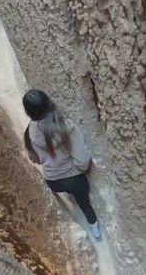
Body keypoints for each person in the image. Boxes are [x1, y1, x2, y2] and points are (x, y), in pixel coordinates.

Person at [21, 90, 102, 241]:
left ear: (28, 112)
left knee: (69, 190)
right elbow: (82, 161)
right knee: (85, 204)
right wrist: (83, 170)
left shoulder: (29, 134)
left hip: (53, 181)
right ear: (49, 103)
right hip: (75, 180)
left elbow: (35, 159)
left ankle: (70, 195)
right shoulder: (67, 128)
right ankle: (95, 230)